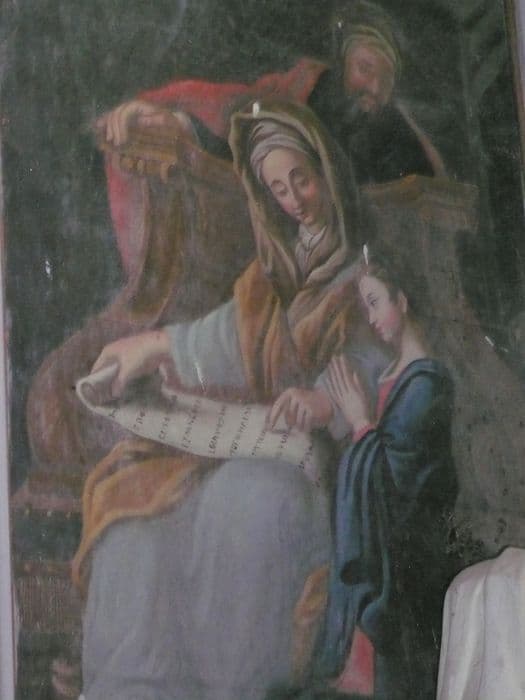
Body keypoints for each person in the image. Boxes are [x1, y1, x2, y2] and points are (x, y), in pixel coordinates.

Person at [72, 100, 384, 700]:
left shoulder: (363, 275)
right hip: (249, 440)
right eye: (278, 189)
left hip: (315, 468)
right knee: (132, 516)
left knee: (243, 502)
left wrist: (324, 401)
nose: (294, 201)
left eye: (301, 180)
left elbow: (376, 358)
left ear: (326, 173)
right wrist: (153, 347)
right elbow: (224, 340)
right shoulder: (273, 273)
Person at [269, 246, 457, 699]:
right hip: (383, 557)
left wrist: (359, 422)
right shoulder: (392, 374)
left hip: (405, 570)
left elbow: (399, 481)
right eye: (365, 307)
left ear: (402, 301)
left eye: (375, 303)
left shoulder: (426, 383)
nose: (370, 319)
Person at [99, 0, 445, 186]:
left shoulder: (398, 134)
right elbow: (240, 148)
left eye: (385, 80)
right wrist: (180, 125)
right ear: (344, 63)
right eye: (365, 69)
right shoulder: (307, 95)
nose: (374, 88)